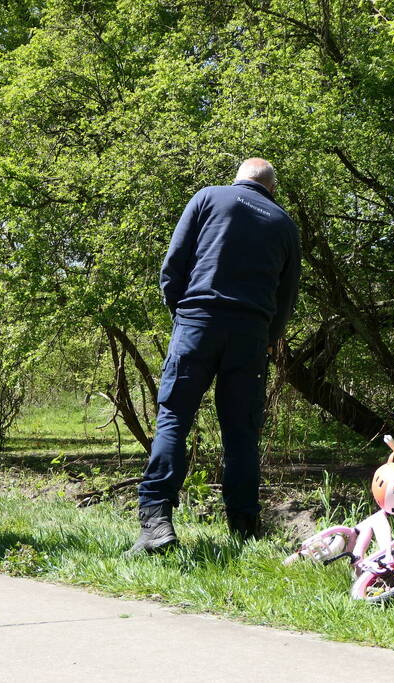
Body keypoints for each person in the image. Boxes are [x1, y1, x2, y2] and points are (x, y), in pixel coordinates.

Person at [130, 158, 301, 553]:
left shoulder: (209, 197)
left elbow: (174, 265)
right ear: (271, 189)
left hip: (197, 322)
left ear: (239, 178)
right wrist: (264, 337)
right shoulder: (285, 224)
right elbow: (285, 299)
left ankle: (156, 522)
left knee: (174, 417)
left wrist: (184, 316)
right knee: (241, 433)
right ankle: (243, 527)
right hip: (250, 334)